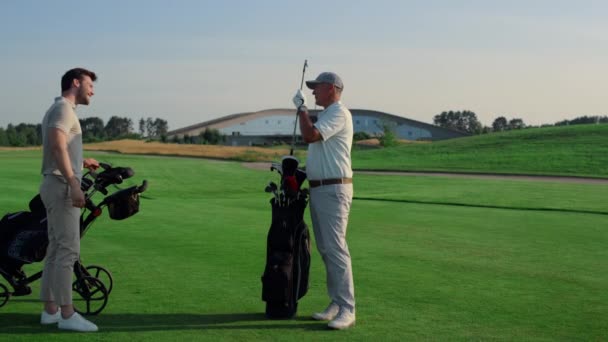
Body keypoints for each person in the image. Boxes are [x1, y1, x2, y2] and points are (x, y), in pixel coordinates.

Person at [292, 72, 355, 330]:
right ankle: (336, 303)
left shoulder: (339, 113)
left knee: (336, 248)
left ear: (331, 88)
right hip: (320, 189)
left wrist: (301, 108)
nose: (313, 92)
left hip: (334, 189)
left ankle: (348, 308)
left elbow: (309, 135)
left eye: (317, 88)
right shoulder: (328, 113)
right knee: (326, 249)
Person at [39, 68, 100, 332]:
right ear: (76, 82)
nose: (92, 90)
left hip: (54, 183)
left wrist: (81, 162)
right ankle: (67, 314)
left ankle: (50, 310)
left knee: (55, 249)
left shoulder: (60, 109)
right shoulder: (64, 109)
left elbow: (62, 148)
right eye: (90, 84)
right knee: (67, 251)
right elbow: (57, 145)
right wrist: (75, 183)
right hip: (62, 186)